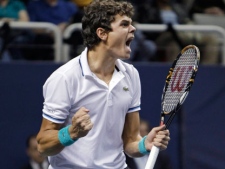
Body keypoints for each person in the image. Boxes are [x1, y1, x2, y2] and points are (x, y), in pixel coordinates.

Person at [36, 0, 170, 169]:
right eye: (124, 24)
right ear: (102, 33)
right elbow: (42, 145)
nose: (133, 29)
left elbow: (130, 141)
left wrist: (145, 144)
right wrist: (71, 133)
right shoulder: (64, 78)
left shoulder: (131, 75)